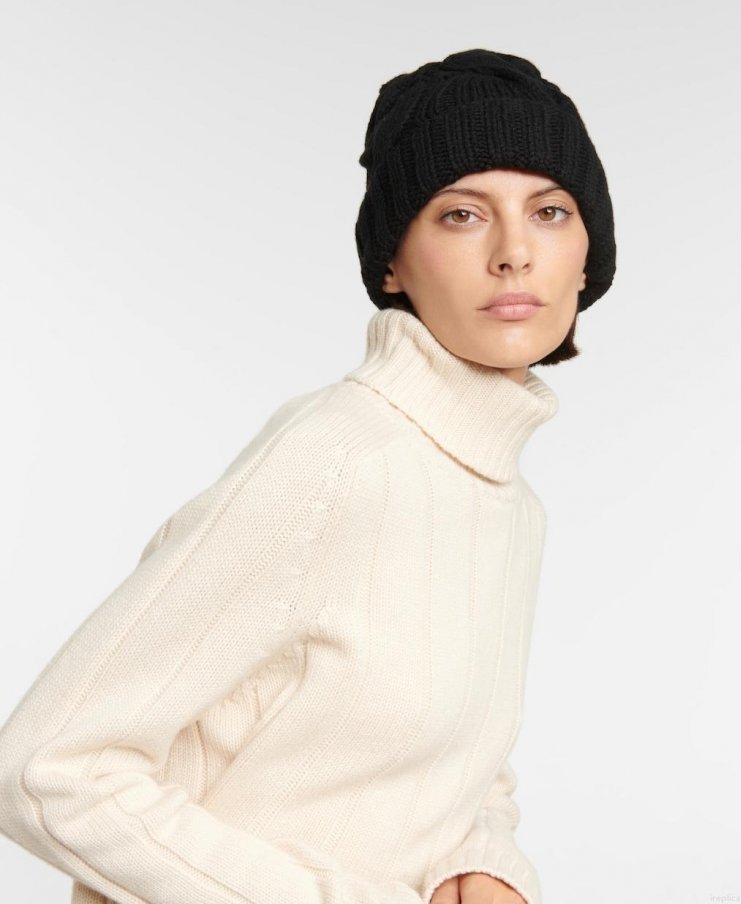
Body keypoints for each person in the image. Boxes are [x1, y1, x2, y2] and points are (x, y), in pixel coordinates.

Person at [0, 47, 615, 904]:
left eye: (549, 211)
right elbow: (46, 768)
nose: (514, 251)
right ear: (392, 263)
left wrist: (483, 859)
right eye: (461, 214)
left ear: (587, 256)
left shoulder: (512, 507)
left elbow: (449, 761)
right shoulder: (336, 460)